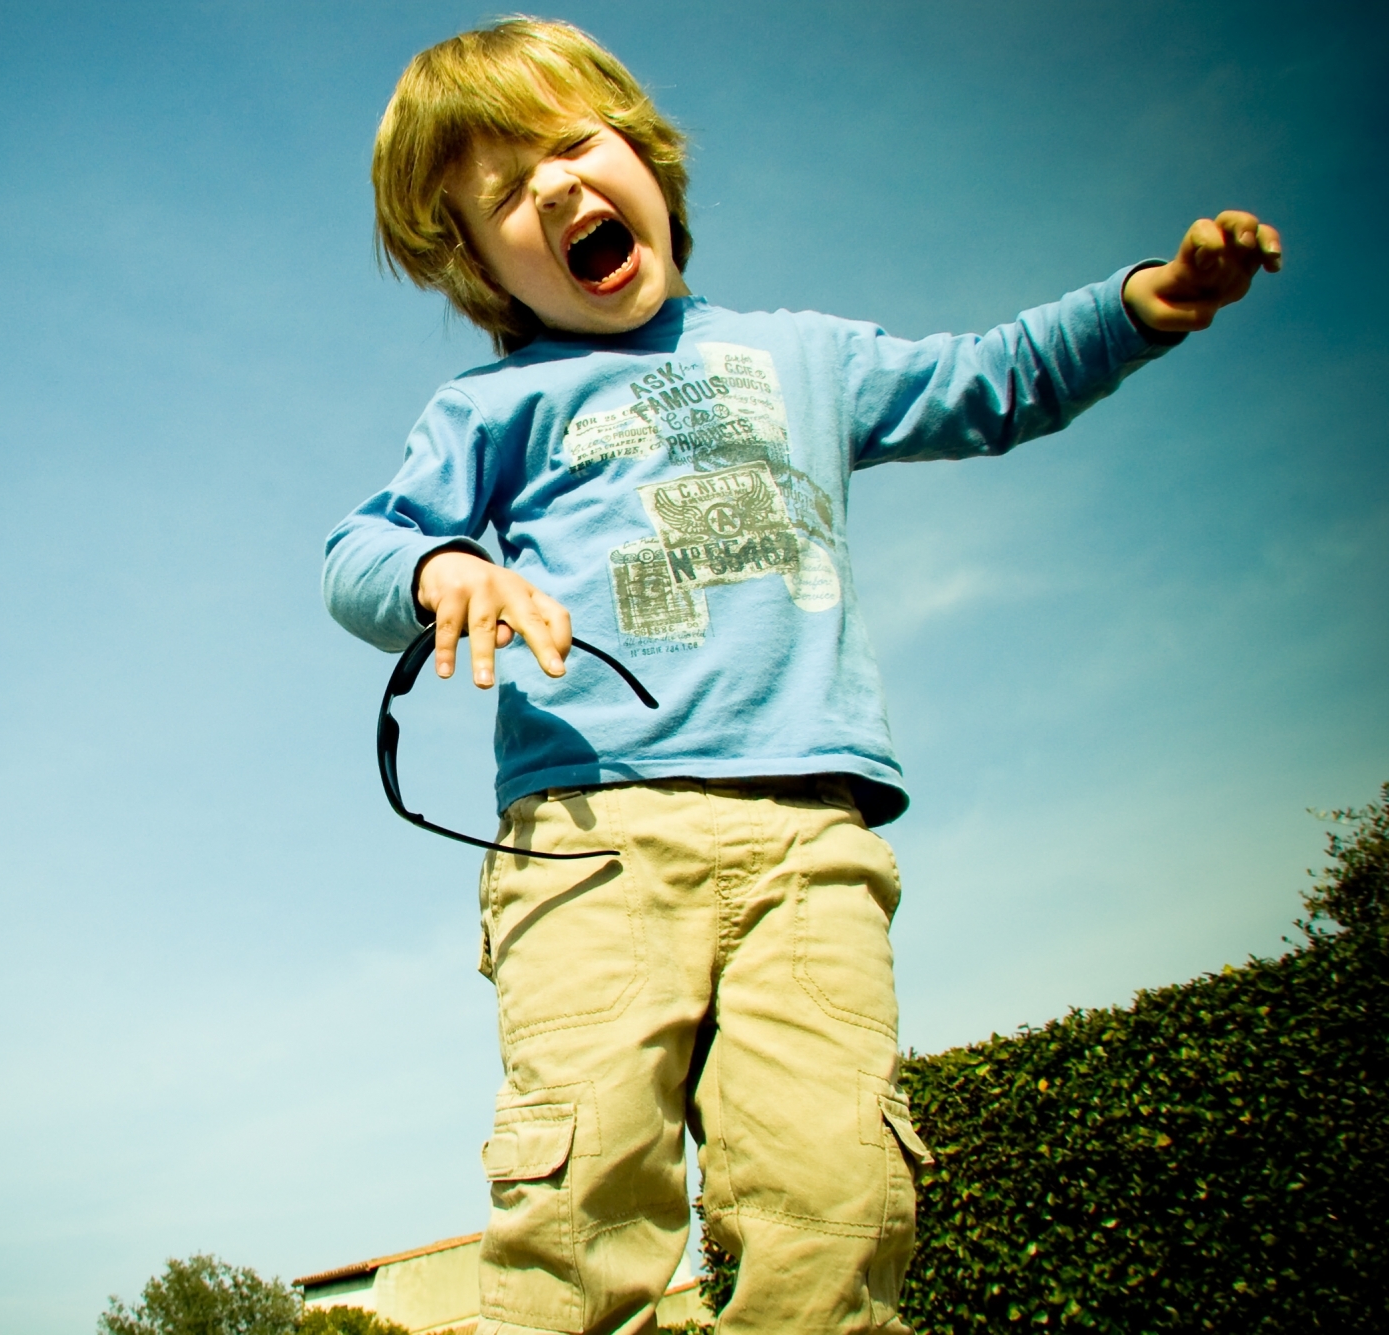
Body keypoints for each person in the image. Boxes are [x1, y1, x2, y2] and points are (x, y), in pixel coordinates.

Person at [321, 18, 1280, 1335]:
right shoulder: (491, 413)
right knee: (581, 1201)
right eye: (505, 194)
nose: (554, 188)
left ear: (647, 162)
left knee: (838, 1198)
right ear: (477, 262)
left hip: (809, 850)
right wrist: (441, 573)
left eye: (573, 146)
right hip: (590, 846)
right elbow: (356, 551)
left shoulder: (805, 358)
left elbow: (988, 381)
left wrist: (1143, 305)